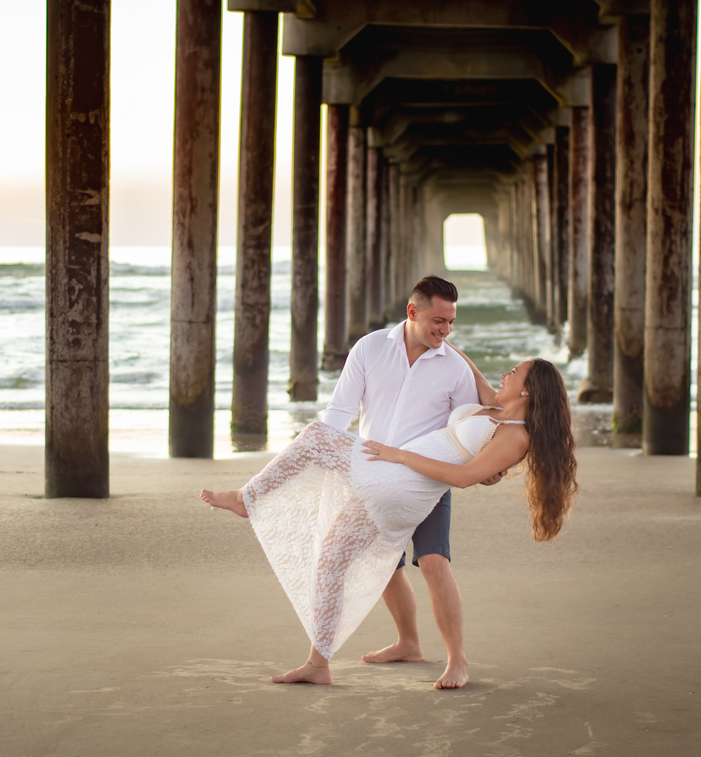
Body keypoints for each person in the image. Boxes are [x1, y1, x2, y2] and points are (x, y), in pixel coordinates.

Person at [200, 356, 578, 687]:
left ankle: (247, 498)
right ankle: (318, 664)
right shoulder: (495, 409)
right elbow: (467, 366)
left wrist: (400, 456)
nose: (505, 375)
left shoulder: (515, 434)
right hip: (394, 479)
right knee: (332, 556)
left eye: (514, 372)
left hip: (399, 476)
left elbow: (465, 477)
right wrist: (443, 339)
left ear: (528, 391)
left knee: (316, 437)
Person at [322, 275, 487, 690]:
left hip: (427, 481)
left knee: (434, 562)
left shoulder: (453, 367)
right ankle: (408, 643)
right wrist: (323, 456)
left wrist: (487, 466)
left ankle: (457, 661)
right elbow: (340, 410)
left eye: (450, 322)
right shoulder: (371, 348)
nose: (445, 331)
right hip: (373, 478)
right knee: (383, 566)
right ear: (412, 312)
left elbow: (467, 425)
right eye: (438, 320)